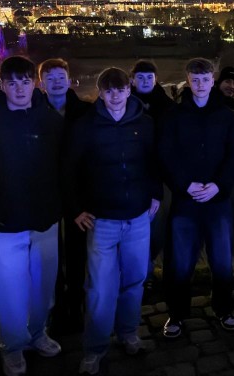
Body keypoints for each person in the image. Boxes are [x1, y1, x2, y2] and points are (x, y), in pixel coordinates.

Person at [0, 56, 64, 376]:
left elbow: (66, 169)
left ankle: (38, 333)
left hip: (45, 220)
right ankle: (13, 346)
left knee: (43, 286)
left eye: (25, 81)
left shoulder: (51, 123)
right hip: (5, 225)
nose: (19, 88)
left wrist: (57, 207)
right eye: (12, 82)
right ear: (3, 85)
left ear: (34, 83)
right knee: (9, 290)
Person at [63, 68, 162, 375]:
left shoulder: (144, 124)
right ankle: (94, 348)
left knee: (133, 281)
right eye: (109, 91)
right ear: (101, 94)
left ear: (128, 91)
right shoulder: (85, 127)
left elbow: (153, 162)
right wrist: (76, 208)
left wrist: (155, 194)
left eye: (120, 90)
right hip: (102, 219)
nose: (116, 95)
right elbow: (69, 169)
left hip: (137, 216)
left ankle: (129, 333)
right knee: (99, 288)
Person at [159, 58, 234, 338]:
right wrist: (185, 185)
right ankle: (177, 314)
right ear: (188, 80)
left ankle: (224, 309)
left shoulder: (225, 116)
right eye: (195, 80)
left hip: (217, 200)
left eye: (205, 80)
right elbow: (167, 155)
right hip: (186, 200)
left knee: (221, 260)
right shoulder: (174, 115)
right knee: (180, 262)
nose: (200, 85)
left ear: (212, 80)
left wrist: (219, 185)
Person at [38, 58, 93, 333]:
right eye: (51, 78)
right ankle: (56, 308)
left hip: (78, 196)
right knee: (50, 257)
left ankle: (76, 305)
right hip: (47, 193)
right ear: (42, 84)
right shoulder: (35, 113)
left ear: (69, 80)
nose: (57, 82)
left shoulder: (84, 111)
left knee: (76, 255)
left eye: (61, 77)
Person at [129, 59, 175, 288]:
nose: (145, 81)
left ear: (156, 79)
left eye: (149, 77)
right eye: (141, 77)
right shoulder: (126, 102)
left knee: (158, 225)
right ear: (132, 80)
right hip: (135, 172)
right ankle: (143, 273)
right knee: (138, 226)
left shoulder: (166, 105)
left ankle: (152, 265)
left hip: (162, 173)